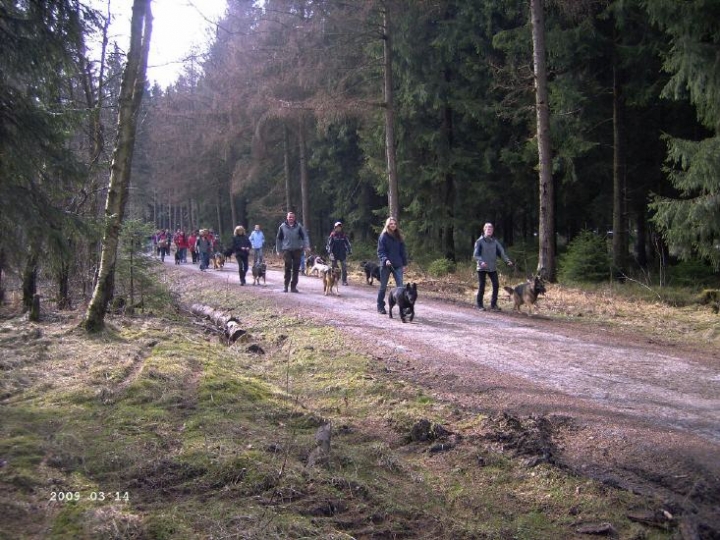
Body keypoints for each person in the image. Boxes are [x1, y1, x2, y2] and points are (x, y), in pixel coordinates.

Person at [473, 222, 513, 311]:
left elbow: (501, 253)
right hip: (482, 267)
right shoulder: (479, 241)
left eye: (491, 229)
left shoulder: (494, 241)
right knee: (482, 286)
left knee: (496, 285)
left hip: (492, 267)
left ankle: (493, 304)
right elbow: (475, 255)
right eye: (488, 229)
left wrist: (507, 261)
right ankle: (479, 305)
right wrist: (481, 262)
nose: (489, 230)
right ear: (484, 230)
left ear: (493, 231)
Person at [376, 217, 408, 314]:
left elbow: (402, 251)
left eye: (394, 223)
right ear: (387, 225)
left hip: (398, 264)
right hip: (386, 265)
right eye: (391, 224)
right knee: (383, 286)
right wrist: (385, 260)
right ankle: (380, 305)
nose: (393, 225)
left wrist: (404, 264)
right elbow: (380, 251)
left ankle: (403, 306)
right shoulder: (383, 236)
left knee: (400, 286)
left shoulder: (399, 237)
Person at [276, 211, 310, 293]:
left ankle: (293, 287)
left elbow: (304, 237)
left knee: (296, 269)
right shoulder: (282, 227)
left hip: (297, 250)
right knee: (288, 267)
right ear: (287, 218)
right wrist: (278, 250)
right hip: (286, 250)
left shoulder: (299, 227)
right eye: (289, 217)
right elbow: (278, 239)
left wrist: (306, 246)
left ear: (294, 218)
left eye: (292, 217)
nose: (291, 218)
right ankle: (285, 286)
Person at [326, 221, 352, 285]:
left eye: (340, 227)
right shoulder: (332, 235)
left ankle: (344, 281)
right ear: (335, 228)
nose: (339, 228)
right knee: (333, 267)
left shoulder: (343, 235)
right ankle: (332, 279)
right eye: (337, 227)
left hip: (342, 253)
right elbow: (329, 244)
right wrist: (330, 253)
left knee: (344, 267)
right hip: (334, 253)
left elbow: (347, 243)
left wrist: (349, 250)